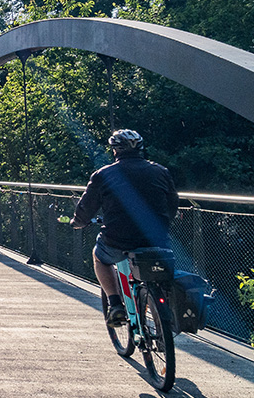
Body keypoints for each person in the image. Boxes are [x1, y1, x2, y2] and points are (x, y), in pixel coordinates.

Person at [70, 129, 179, 327]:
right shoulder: (161, 172)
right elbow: (172, 206)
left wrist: (78, 222)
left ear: (114, 151)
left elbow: (86, 208)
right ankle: (164, 318)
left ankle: (115, 304)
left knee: (100, 257)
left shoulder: (103, 175)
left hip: (118, 240)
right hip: (156, 240)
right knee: (156, 269)